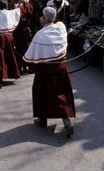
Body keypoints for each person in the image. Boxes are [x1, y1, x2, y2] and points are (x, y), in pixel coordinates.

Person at [23, 7, 75, 137]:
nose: (40, 18)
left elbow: (30, 56)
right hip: (61, 66)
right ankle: (67, 122)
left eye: (41, 16)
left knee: (41, 92)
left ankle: (42, 119)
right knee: (61, 93)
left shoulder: (40, 34)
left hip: (45, 68)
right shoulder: (61, 27)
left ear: (45, 19)